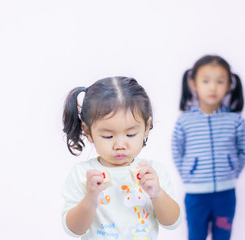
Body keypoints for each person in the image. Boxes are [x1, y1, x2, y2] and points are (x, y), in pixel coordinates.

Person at [62, 76, 182, 239]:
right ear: (88, 132)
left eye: (130, 134)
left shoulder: (153, 172)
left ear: (146, 127)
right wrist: (90, 199)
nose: (120, 144)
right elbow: (74, 230)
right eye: (108, 136)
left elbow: (172, 223)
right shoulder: (83, 174)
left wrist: (158, 194)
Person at [172, 55, 245, 240]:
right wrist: (188, 173)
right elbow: (177, 150)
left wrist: (232, 171)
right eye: (206, 81)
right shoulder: (184, 121)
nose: (213, 87)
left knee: (223, 236)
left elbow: (244, 151)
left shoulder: (235, 120)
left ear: (229, 85)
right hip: (195, 196)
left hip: (226, 195)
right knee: (195, 236)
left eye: (220, 81)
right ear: (193, 83)